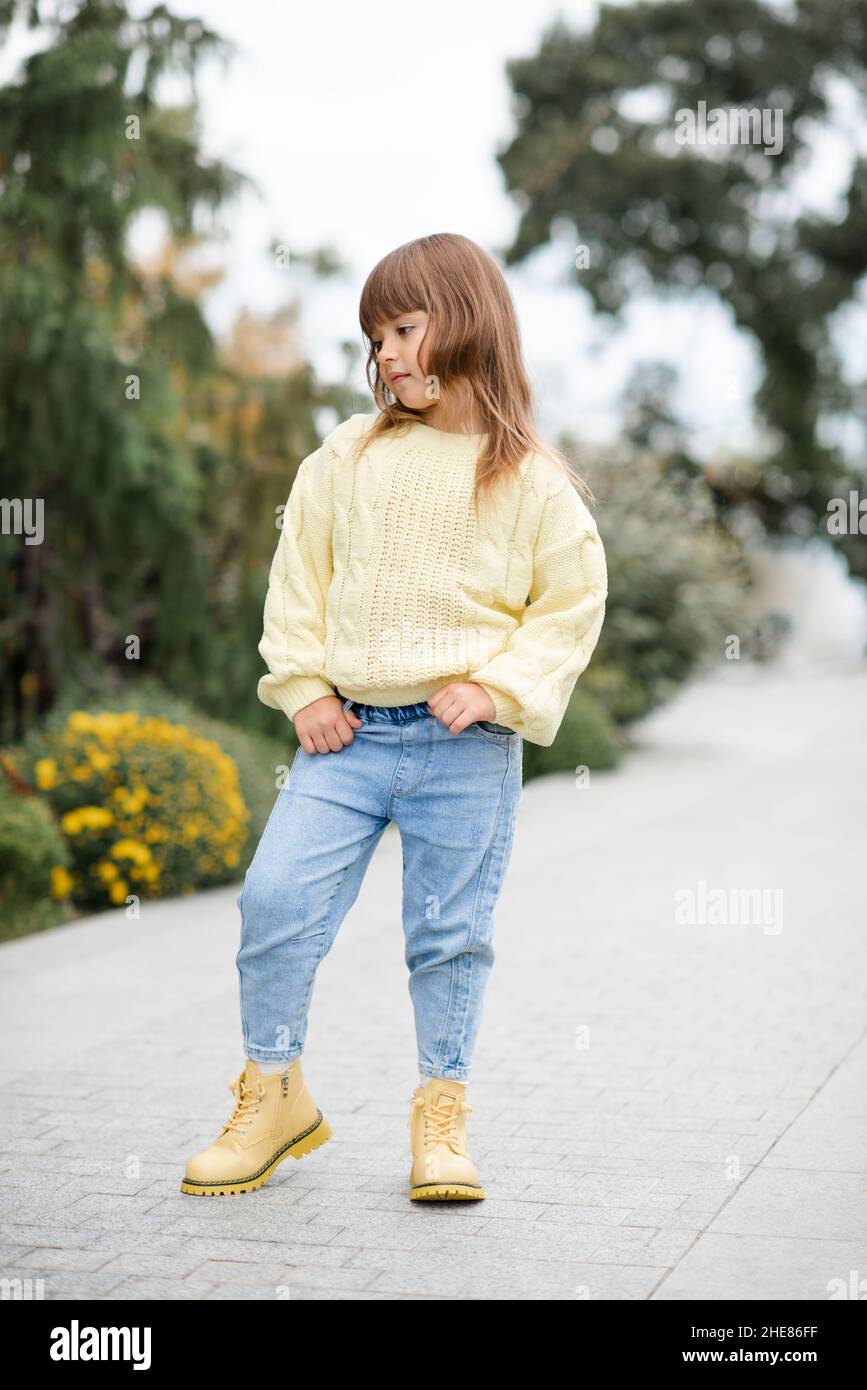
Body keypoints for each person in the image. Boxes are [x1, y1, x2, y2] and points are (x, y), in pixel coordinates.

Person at [181, 232, 608, 1202]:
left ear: (466, 323)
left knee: (449, 935)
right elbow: (301, 583)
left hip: (467, 747)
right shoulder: (346, 456)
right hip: (348, 741)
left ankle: (441, 1119)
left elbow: (572, 602)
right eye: (375, 338)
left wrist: (498, 686)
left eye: (404, 329)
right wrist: (305, 689)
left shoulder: (530, 478)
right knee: (275, 903)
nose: (388, 355)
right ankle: (274, 1092)